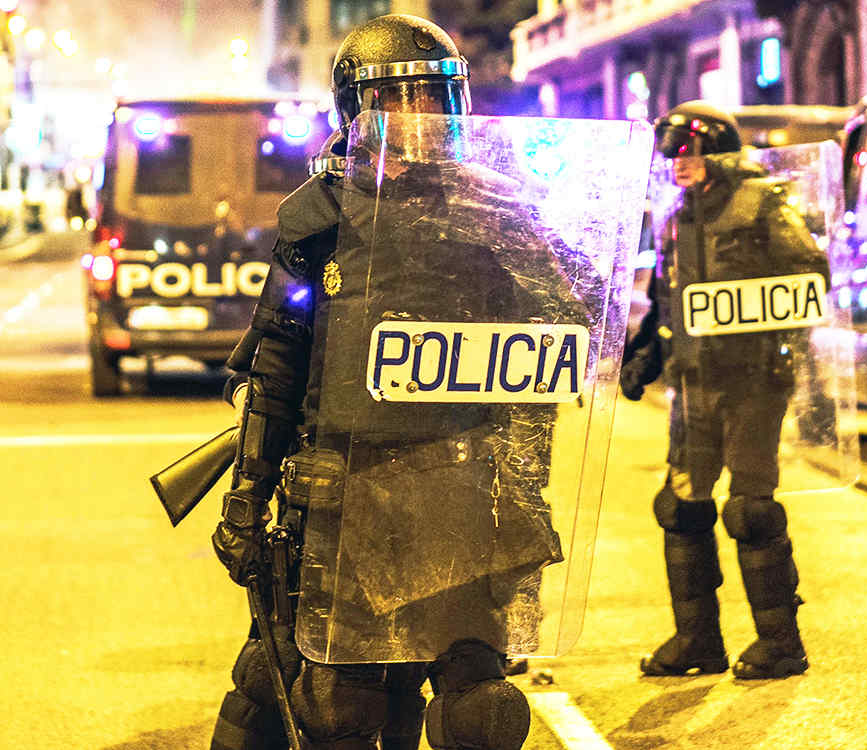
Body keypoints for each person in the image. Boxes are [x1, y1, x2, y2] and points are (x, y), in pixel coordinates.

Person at [208, 13, 627, 750]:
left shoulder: (497, 208)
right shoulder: (320, 221)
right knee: (334, 707)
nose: (415, 116)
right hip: (346, 492)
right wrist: (247, 492)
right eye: (394, 99)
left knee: (481, 715)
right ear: (357, 111)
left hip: (463, 495)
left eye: (430, 98)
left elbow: (573, 326)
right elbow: (276, 369)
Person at [620, 101, 830, 680]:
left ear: (715, 149)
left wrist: (774, 340)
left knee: (750, 511)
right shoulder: (676, 218)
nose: (676, 163)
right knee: (681, 507)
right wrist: (647, 353)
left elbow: (811, 278)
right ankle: (699, 642)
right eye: (670, 154)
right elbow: (671, 303)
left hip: (752, 384)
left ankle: (780, 644)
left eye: (684, 151)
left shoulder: (763, 205)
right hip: (694, 386)